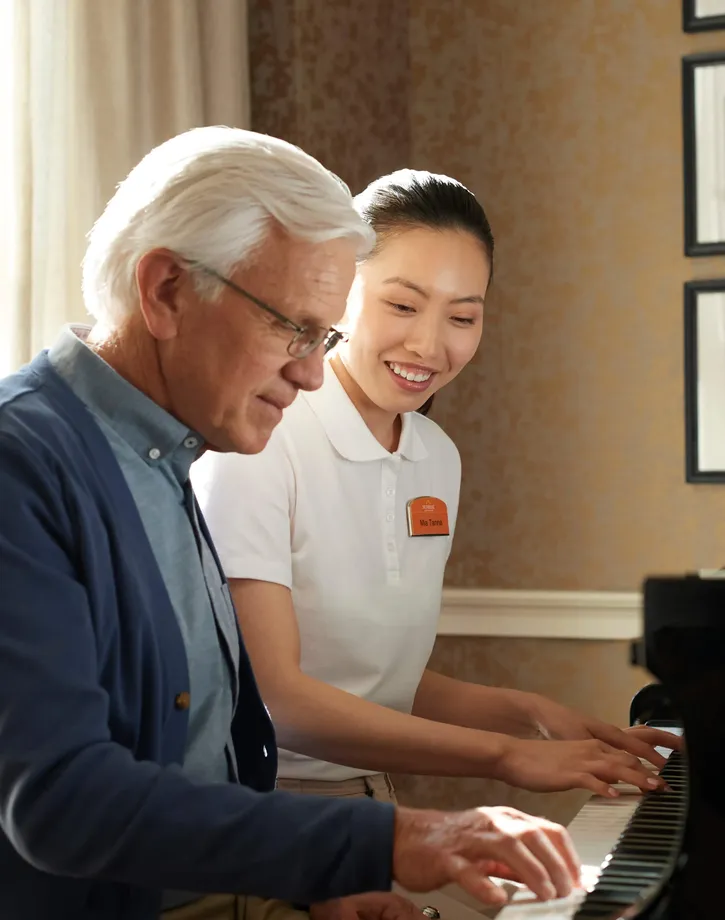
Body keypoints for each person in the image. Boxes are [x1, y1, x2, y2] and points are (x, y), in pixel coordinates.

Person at [0, 129, 582, 920]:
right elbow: (62, 801)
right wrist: (377, 841)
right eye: (292, 329)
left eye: (323, 337)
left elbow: (209, 752)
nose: (311, 373)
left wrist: (304, 886)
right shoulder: (22, 465)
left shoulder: (164, 448)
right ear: (167, 290)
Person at [192, 169, 679, 813]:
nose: (429, 344)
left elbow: (378, 684)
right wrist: (508, 757)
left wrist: (531, 714)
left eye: (462, 316)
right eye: (402, 304)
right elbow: (275, 699)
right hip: (252, 810)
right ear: (341, 293)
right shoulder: (264, 437)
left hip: (368, 800)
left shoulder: (434, 458)